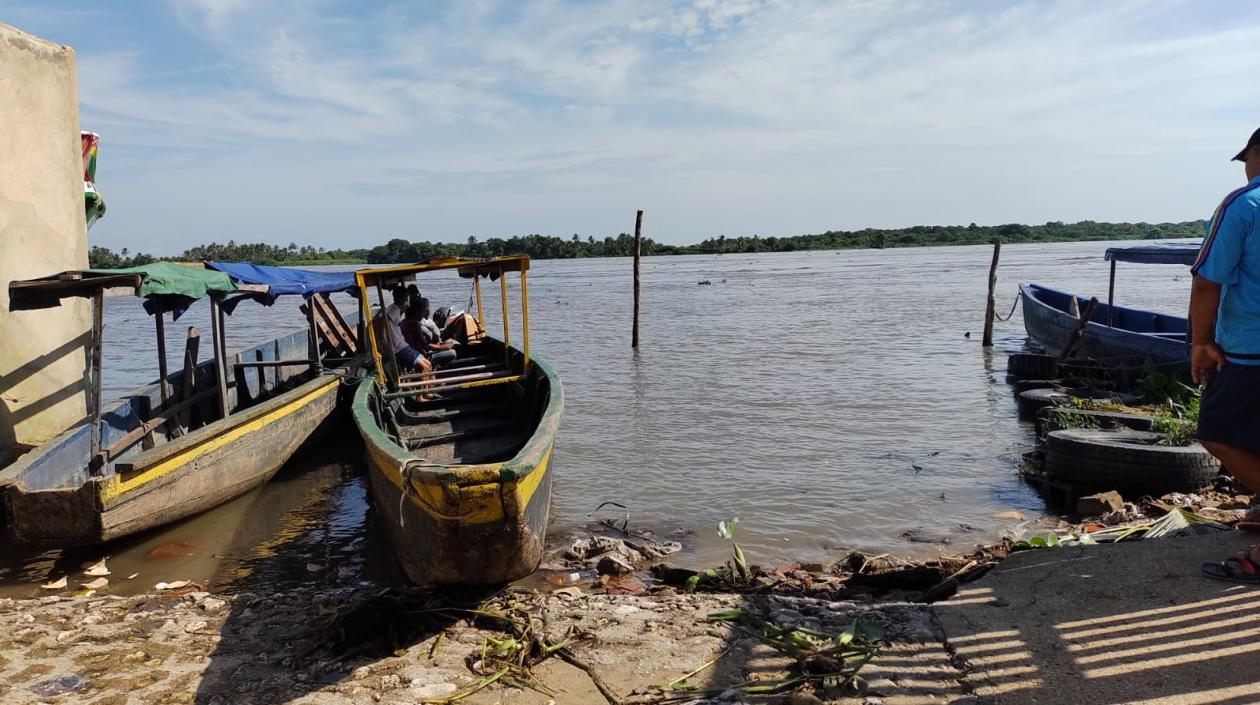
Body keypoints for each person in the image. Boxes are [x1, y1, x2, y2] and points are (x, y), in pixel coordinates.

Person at [1193, 126, 1260, 583]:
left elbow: (1207, 281)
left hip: (1251, 351)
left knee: (1217, 432)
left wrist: (1199, 343)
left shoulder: (1244, 204)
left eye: (1247, 159)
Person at [385, 285, 430, 374]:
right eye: (406, 298)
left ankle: (427, 385)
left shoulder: (391, 308)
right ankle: (424, 387)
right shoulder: (395, 310)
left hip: (402, 345)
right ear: (402, 298)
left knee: (428, 364)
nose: (407, 301)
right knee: (425, 367)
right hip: (399, 348)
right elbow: (388, 319)